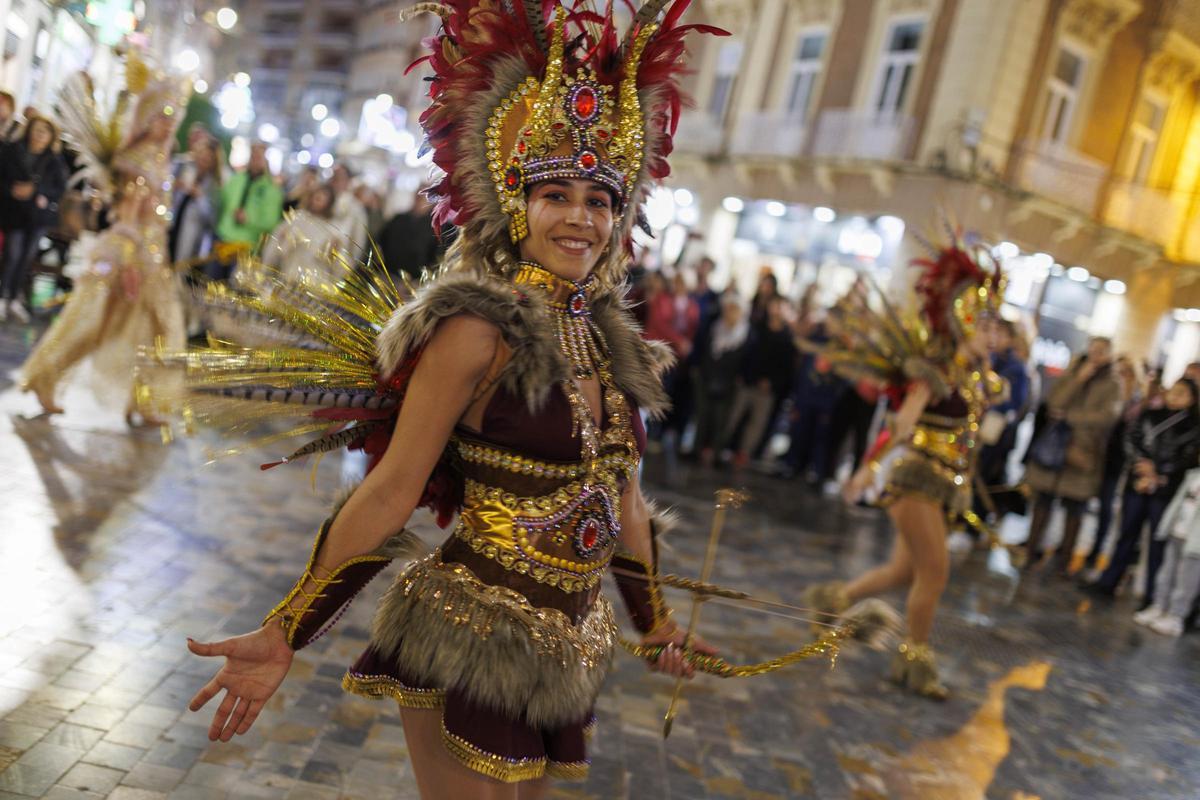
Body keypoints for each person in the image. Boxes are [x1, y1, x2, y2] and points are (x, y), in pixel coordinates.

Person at [181, 6, 735, 795]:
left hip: (568, 654)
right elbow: (392, 490)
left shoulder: (616, 351)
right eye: (559, 196)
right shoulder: (476, 330)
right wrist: (286, 630)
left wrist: (657, 625)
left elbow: (627, 506)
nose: (581, 218)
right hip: (466, 633)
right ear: (518, 204)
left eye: (600, 201)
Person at [804, 240, 1006, 698]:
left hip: (943, 482)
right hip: (917, 478)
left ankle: (833, 601)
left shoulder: (974, 373)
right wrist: (867, 467)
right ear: (966, 320)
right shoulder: (935, 369)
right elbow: (902, 423)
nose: (992, 331)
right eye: (986, 321)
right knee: (935, 573)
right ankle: (915, 662)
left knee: (902, 571)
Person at [19, 60, 188, 420]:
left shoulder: (161, 159)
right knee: (93, 324)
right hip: (130, 253)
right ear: (147, 116)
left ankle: (145, 401)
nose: (168, 123)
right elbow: (127, 217)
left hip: (154, 258)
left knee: (155, 330)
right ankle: (44, 376)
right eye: (163, 114)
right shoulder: (136, 160)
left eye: (174, 116)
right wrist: (129, 263)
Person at [1086, 378, 1200, 604]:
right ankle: (1109, 581)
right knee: (1127, 533)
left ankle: (1152, 595)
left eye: (1182, 394)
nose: (1175, 397)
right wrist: (1142, 464)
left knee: (1157, 543)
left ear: (1192, 399)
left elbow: (1187, 457)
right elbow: (1131, 438)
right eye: (1173, 391)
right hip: (1138, 483)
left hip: (1164, 488)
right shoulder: (1151, 414)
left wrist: (1158, 471)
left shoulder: (1194, 427)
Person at [1021, 338, 1122, 574]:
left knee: (1075, 508)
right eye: (1093, 349)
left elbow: (1107, 417)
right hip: (1055, 446)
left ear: (1109, 355)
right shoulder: (1075, 371)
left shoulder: (1112, 383)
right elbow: (1054, 402)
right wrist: (1079, 379)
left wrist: (1070, 417)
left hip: (1084, 451)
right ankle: (1031, 551)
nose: (1095, 355)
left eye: (1101, 351)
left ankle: (1063, 562)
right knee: (1043, 502)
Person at [1, 116, 68, 321]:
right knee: (13, 252)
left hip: (38, 217)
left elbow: (59, 187)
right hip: (13, 212)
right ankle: (3, 296)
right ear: (29, 130)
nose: (40, 135)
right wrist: (11, 190)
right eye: (37, 130)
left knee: (27, 256)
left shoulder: (54, 160)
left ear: (51, 137)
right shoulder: (12, 151)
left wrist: (38, 191)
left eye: (45, 132)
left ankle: (14, 297)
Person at [1083, 355, 1143, 574]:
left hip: (1116, 462)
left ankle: (1098, 548)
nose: (1122, 375)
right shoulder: (1110, 395)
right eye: (1119, 370)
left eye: (1127, 371)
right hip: (1097, 455)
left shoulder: (1137, 403)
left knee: (1106, 506)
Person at [723, 295, 795, 468]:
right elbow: (747, 353)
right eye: (774, 305)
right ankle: (722, 446)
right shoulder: (757, 328)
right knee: (733, 415)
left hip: (767, 389)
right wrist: (743, 374)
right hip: (748, 382)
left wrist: (772, 383)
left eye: (780, 306)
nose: (776, 310)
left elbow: (786, 367)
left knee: (756, 424)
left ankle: (744, 453)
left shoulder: (787, 338)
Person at [692, 291, 748, 467]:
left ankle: (715, 453)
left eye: (733, 309)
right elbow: (703, 349)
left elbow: (744, 361)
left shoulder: (744, 334)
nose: (729, 313)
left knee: (720, 420)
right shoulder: (714, 327)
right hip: (706, 377)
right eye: (727, 308)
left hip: (728, 383)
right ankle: (697, 450)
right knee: (702, 416)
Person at [214, 141, 283, 279]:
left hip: (246, 247)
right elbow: (222, 203)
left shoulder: (272, 190)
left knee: (230, 291)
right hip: (223, 239)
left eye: (259, 155)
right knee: (209, 282)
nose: (255, 159)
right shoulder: (236, 179)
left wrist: (248, 219)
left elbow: (272, 223)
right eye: (253, 155)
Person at [255, 184, 346, 287]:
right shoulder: (296, 219)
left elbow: (337, 264)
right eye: (317, 196)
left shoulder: (332, 230)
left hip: (314, 284)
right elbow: (274, 246)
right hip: (288, 277)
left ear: (329, 203)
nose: (318, 200)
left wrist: (333, 254)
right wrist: (266, 269)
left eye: (323, 197)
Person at [169, 131, 222, 268]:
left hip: (191, 234)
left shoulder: (214, 186)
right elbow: (164, 185)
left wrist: (200, 197)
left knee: (179, 266)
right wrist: (173, 185)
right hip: (171, 221)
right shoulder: (183, 167)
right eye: (202, 156)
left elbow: (211, 219)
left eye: (208, 159)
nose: (203, 161)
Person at [377, 193, 443, 284]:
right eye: (418, 197)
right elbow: (381, 241)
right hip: (390, 274)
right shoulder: (399, 218)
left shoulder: (435, 227)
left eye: (424, 199)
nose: (420, 201)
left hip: (414, 281)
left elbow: (436, 255)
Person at [330, 163, 368, 261]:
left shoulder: (356, 207)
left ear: (348, 180)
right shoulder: (324, 199)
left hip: (339, 261)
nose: (336, 182)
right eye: (334, 177)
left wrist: (349, 263)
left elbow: (358, 239)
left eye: (340, 178)